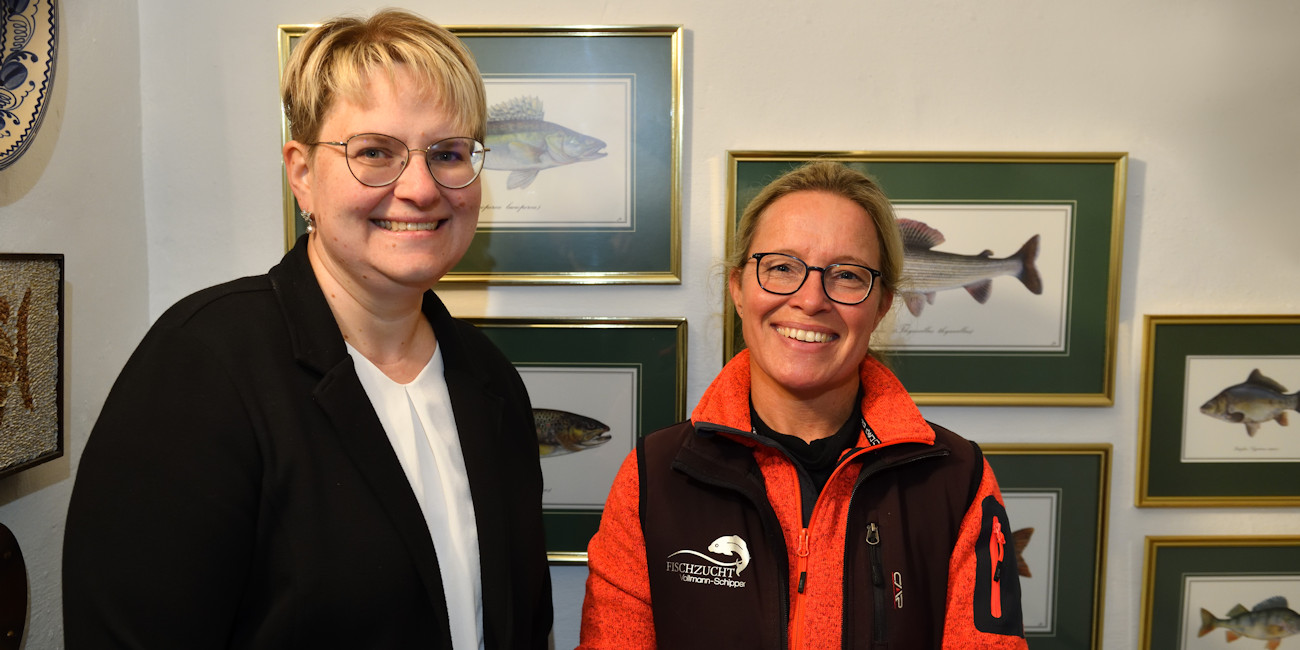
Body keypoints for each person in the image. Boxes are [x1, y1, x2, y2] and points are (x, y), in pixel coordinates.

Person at [63, 10, 552, 648]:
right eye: (375, 152)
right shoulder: (204, 367)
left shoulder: (490, 382)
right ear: (301, 174)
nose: (420, 189)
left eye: (448, 154)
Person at [579, 161, 1028, 648]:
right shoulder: (655, 477)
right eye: (781, 267)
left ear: (881, 304)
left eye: (847, 275)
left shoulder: (956, 479)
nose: (811, 299)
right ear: (738, 288)